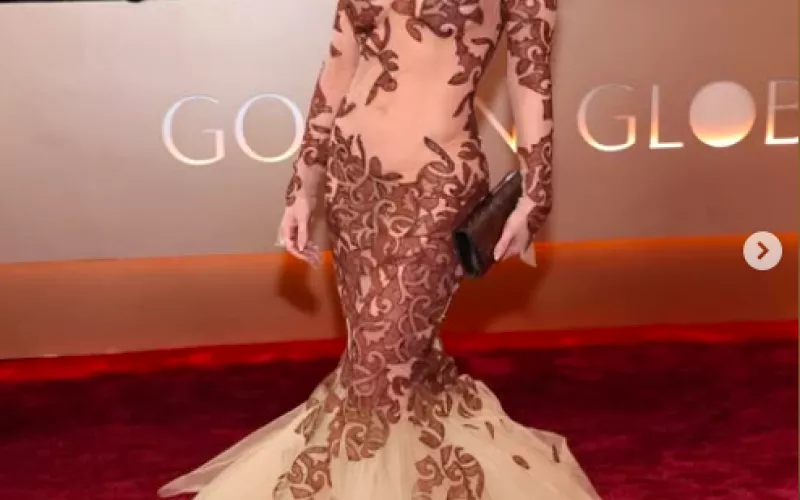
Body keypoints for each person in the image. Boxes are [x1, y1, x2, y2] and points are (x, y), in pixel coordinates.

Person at [159, 0, 600, 498]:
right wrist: (303, 184)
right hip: (351, 183)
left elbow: (530, 75)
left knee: (377, 375)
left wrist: (535, 195)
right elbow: (338, 66)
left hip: (436, 189)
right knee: (393, 372)